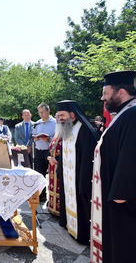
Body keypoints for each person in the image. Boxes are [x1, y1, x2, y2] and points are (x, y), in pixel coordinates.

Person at [90, 70, 136, 263]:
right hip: (114, 193)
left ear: (122, 92)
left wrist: (120, 193)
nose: (103, 98)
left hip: (124, 200)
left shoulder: (133, 115)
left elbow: (130, 154)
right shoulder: (124, 113)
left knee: (124, 243)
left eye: (106, 94)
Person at [55, 100, 98, 245]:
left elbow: (88, 158)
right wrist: (60, 171)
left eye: (62, 115)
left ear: (72, 114)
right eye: (58, 116)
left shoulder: (84, 130)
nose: (60, 118)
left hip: (79, 179)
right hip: (69, 179)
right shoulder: (67, 129)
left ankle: (83, 235)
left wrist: (84, 181)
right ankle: (69, 225)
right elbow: (63, 154)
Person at [32, 103, 56, 201]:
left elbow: (58, 137)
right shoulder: (38, 123)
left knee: (51, 174)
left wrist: (49, 139)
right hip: (39, 151)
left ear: (48, 111)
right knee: (39, 174)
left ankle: (52, 197)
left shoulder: (55, 122)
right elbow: (33, 134)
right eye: (39, 112)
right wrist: (36, 138)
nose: (41, 114)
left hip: (50, 152)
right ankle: (41, 196)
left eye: (43, 112)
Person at [47, 114, 62, 217]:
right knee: (52, 187)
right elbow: (53, 148)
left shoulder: (67, 134)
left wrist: (57, 160)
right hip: (52, 166)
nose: (57, 120)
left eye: (59, 118)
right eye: (56, 118)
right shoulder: (57, 133)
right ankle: (52, 207)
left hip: (60, 166)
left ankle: (60, 210)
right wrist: (50, 157)